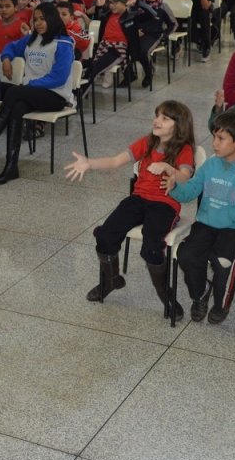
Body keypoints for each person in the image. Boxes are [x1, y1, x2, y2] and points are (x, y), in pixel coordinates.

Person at [66, 101, 196, 312]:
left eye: (165, 118)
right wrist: (90, 163)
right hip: (138, 199)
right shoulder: (147, 142)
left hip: (165, 203)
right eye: (157, 115)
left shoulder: (185, 149)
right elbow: (116, 161)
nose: (157, 121)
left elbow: (185, 176)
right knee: (105, 235)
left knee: (152, 246)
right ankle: (111, 280)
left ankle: (165, 295)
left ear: (179, 125)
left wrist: (167, 168)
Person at [169, 110, 235, 324]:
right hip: (206, 224)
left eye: (221, 138)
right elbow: (189, 192)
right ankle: (200, 294)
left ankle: (220, 304)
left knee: (223, 262)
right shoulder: (210, 164)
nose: (214, 143)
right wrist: (173, 187)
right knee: (187, 254)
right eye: (215, 137)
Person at [0, 3, 75, 185]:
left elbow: (58, 78)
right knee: (16, 107)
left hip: (55, 96)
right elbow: (11, 47)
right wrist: (7, 59)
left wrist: (30, 83)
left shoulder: (64, 43)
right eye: (36, 19)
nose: (39, 23)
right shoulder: (32, 39)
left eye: (43, 19)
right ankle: (11, 167)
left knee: (13, 92)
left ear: (52, 19)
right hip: (32, 93)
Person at [121, 0, 176, 89]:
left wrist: (164, 35)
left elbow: (173, 24)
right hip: (137, 34)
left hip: (153, 35)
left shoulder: (163, 7)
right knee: (123, 49)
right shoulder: (137, 5)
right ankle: (130, 75)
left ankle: (148, 73)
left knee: (142, 50)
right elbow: (130, 21)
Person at [88, 0, 130, 88]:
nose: (112, 5)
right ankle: (106, 74)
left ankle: (85, 87)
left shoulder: (130, 16)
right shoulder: (108, 15)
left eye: (115, 2)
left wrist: (137, 2)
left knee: (96, 67)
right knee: (91, 64)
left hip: (119, 48)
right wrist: (99, 6)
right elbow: (98, 17)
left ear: (124, 2)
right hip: (105, 45)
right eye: (110, 2)